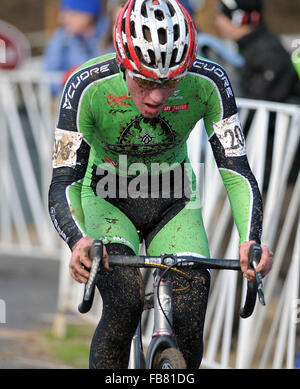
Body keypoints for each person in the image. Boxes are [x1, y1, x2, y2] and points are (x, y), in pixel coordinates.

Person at [48, 0, 273, 369]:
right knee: (124, 305)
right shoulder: (86, 86)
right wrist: (78, 241)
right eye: (145, 81)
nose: (156, 96)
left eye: (170, 83)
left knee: (189, 311)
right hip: (108, 201)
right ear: (123, 62)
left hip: (174, 202)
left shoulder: (209, 82)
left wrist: (252, 239)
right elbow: (63, 181)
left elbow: (236, 169)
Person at [215, 0, 300, 103]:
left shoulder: (269, 52)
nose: (218, 22)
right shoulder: (249, 47)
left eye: (223, 16)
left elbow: (260, 102)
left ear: (240, 19)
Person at [43, 0, 108, 95]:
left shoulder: (111, 33)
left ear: (87, 14)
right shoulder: (61, 37)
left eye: (70, 12)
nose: (61, 18)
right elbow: (47, 78)